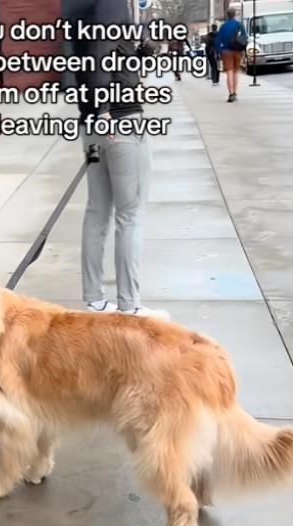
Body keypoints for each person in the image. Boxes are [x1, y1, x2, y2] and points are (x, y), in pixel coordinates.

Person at [62, 0, 168, 318]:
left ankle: (95, 300)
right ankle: (129, 305)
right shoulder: (111, 3)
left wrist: (142, 52)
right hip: (120, 120)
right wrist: (106, 108)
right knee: (130, 216)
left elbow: (84, 56)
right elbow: (100, 53)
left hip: (93, 124)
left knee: (97, 213)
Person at [216, 5, 247, 103]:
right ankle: (235, 92)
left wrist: (218, 52)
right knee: (235, 72)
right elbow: (244, 37)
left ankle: (231, 93)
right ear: (234, 15)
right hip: (237, 50)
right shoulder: (239, 25)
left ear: (227, 15)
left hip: (226, 51)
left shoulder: (223, 26)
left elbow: (218, 40)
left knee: (229, 72)